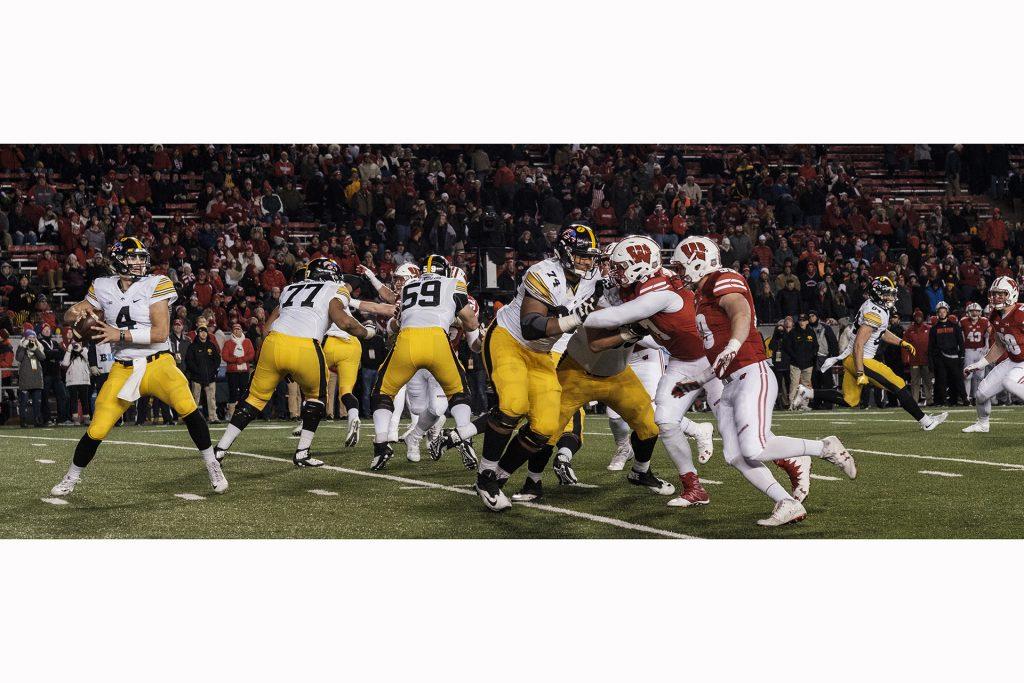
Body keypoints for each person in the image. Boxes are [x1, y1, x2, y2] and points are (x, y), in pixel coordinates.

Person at [671, 236, 856, 526]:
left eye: (682, 268)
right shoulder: (701, 297)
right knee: (734, 454)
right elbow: (715, 357)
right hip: (731, 382)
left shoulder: (722, 279)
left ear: (697, 263)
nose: (680, 275)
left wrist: (733, 344)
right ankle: (786, 502)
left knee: (755, 448)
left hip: (752, 372)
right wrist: (694, 383)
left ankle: (825, 448)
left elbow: (741, 311)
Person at [49, 238, 227, 497]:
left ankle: (212, 464)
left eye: (141, 258)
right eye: (133, 257)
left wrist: (117, 335)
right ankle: (71, 477)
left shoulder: (156, 283)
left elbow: (160, 332)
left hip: (158, 363)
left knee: (188, 408)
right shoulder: (103, 286)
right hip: (124, 368)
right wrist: (78, 317)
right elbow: (72, 313)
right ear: (118, 259)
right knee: (98, 427)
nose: (139, 263)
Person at [464, 225, 603, 512]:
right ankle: (485, 473)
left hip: (542, 352)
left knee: (545, 427)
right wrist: (573, 319)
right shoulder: (543, 273)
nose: (588, 263)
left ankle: (496, 477)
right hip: (510, 339)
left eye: (590, 257)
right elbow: (530, 327)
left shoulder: (594, 279)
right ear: (564, 253)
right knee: (513, 405)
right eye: (581, 256)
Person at [215, 258, 375, 467]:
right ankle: (302, 452)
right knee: (316, 398)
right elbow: (344, 321)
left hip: (274, 343)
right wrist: (367, 332)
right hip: (305, 345)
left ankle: (220, 448)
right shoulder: (336, 288)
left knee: (253, 399)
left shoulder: (290, 288)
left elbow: (266, 329)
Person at [371, 254, 481, 471]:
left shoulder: (408, 288)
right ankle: (463, 436)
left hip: (408, 344)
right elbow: (472, 323)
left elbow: (395, 323)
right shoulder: (453, 286)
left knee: (382, 392)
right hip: (438, 345)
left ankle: (381, 445)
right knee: (459, 393)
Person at [793, 277, 948, 430]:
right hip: (861, 359)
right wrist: (860, 371)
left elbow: (881, 331)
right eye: (886, 293)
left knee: (850, 400)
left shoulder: (874, 307)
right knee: (898, 384)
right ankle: (926, 421)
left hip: (851, 358)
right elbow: (859, 344)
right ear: (877, 294)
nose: (890, 297)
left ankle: (807, 392)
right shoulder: (875, 313)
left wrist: (901, 342)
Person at [963, 278, 1024, 433]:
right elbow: (999, 344)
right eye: (994, 294)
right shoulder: (994, 315)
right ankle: (983, 424)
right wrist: (979, 364)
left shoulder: (1020, 314)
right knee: (981, 393)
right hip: (1013, 360)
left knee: (1009, 383)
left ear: (1012, 294)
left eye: (1001, 294)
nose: (996, 297)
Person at [928, 301, 965, 406]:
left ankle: (961, 399)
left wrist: (961, 355)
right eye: (940, 311)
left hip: (953, 357)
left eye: (944, 311)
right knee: (941, 380)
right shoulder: (934, 329)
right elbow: (930, 346)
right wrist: (931, 361)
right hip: (939, 358)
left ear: (947, 312)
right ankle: (943, 401)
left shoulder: (955, 327)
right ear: (937, 313)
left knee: (957, 379)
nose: (942, 313)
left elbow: (961, 343)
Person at [221, 322, 255, 422]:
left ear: (241, 330)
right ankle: (231, 413)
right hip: (233, 372)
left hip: (244, 371)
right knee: (233, 392)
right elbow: (225, 356)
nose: (237, 331)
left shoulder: (247, 341)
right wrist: (236, 360)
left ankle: (243, 412)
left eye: (238, 329)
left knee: (244, 391)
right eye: (235, 329)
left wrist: (242, 359)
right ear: (232, 331)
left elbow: (251, 354)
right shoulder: (228, 343)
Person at [185, 326, 220, 422]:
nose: (203, 334)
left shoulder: (211, 346)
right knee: (195, 398)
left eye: (205, 332)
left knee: (211, 398)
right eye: (201, 332)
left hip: (210, 377)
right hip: (197, 377)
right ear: (198, 333)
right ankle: (194, 419)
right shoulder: (192, 346)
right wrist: (197, 372)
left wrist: (212, 371)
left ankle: (213, 417)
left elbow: (217, 360)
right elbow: (189, 361)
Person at [785, 314, 817, 408]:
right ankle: (792, 403)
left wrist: (811, 356)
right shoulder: (793, 332)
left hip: (808, 363)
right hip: (795, 363)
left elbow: (816, 346)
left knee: (806, 385)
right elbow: (787, 347)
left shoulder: (811, 332)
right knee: (794, 384)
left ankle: (804, 404)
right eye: (800, 320)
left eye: (804, 320)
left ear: (807, 321)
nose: (802, 322)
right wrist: (795, 357)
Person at [960, 302, 990, 402]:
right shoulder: (963, 321)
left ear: (980, 312)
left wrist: (986, 346)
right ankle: (967, 397)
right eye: (972, 311)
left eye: (976, 311)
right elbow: (960, 336)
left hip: (980, 350)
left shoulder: (984, 321)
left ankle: (976, 397)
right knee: (967, 374)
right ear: (968, 312)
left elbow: (988, 334)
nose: (974, 313)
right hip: (968, 350)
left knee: (979, 376)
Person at [903, 309, 933, 405]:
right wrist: (905, 358)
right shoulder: (909, 331)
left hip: (926, 359)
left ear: (922, 317)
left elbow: (933, 344)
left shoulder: (928, 329)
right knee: (914, 382)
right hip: (914, 360)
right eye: (916, 317)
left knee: (927, 381)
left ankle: (929, 400)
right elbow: (904, 345)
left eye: (919, 316)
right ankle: (914, 401)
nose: (918, 318)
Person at [16, 329, 45, 428]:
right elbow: (18, 358)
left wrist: (35, 349)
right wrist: (24, 347)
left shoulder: (39, 347)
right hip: (25, 379)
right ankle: (23, 421)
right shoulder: (21, 347)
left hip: (37, 379)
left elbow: (42, 357)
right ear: (25, 338)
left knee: (37, 402)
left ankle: (37, 421)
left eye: (33, 337)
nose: (32, 339)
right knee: (23, 402)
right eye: (29, 337)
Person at [62, 338, 92, 424]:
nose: (76, 344)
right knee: (73, 399)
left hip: (84, 379)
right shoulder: (70, 352)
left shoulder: (85, 350)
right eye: (74, 342)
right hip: (72, 380)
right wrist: (69, 350)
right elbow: (65, 363)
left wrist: (81, 350)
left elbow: (90, 359)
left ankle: (86, 417)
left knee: (85, 399)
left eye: (78, 342)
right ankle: (75, 418)